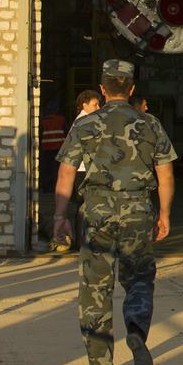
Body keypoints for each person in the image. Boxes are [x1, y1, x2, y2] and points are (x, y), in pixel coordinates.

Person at [53, 59, 176, 365]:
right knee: (139, 278)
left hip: (97, 212)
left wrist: (59, 216)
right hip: (138, 211)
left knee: (95, 286)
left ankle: (100, 363)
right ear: (131, 89)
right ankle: (135, 329)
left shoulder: (85, 124)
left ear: (103, 89)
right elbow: (165, 174)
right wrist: (164, 213)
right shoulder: (150, 124)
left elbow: (66, 173)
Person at [49, 89, 104, 253]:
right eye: (95, 104)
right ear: (84, 105)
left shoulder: (84, 121)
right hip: (82, 170)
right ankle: (81, 241)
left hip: (81, 169)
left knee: (82, 206)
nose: (98, 108)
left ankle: (80, 241)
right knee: (83, 207)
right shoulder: (83, 122)